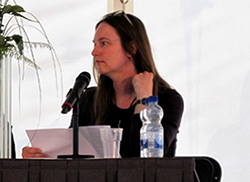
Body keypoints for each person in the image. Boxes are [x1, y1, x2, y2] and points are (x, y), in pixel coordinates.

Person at [22, 11, 184, 158]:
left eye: (104, 43)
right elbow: (72, 161)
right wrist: (40, 158)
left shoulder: (168, 100)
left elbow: (142, 161)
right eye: (94, 44)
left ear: (132, 48)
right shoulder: (88, 99)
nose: (94, 52)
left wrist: (144, 100)